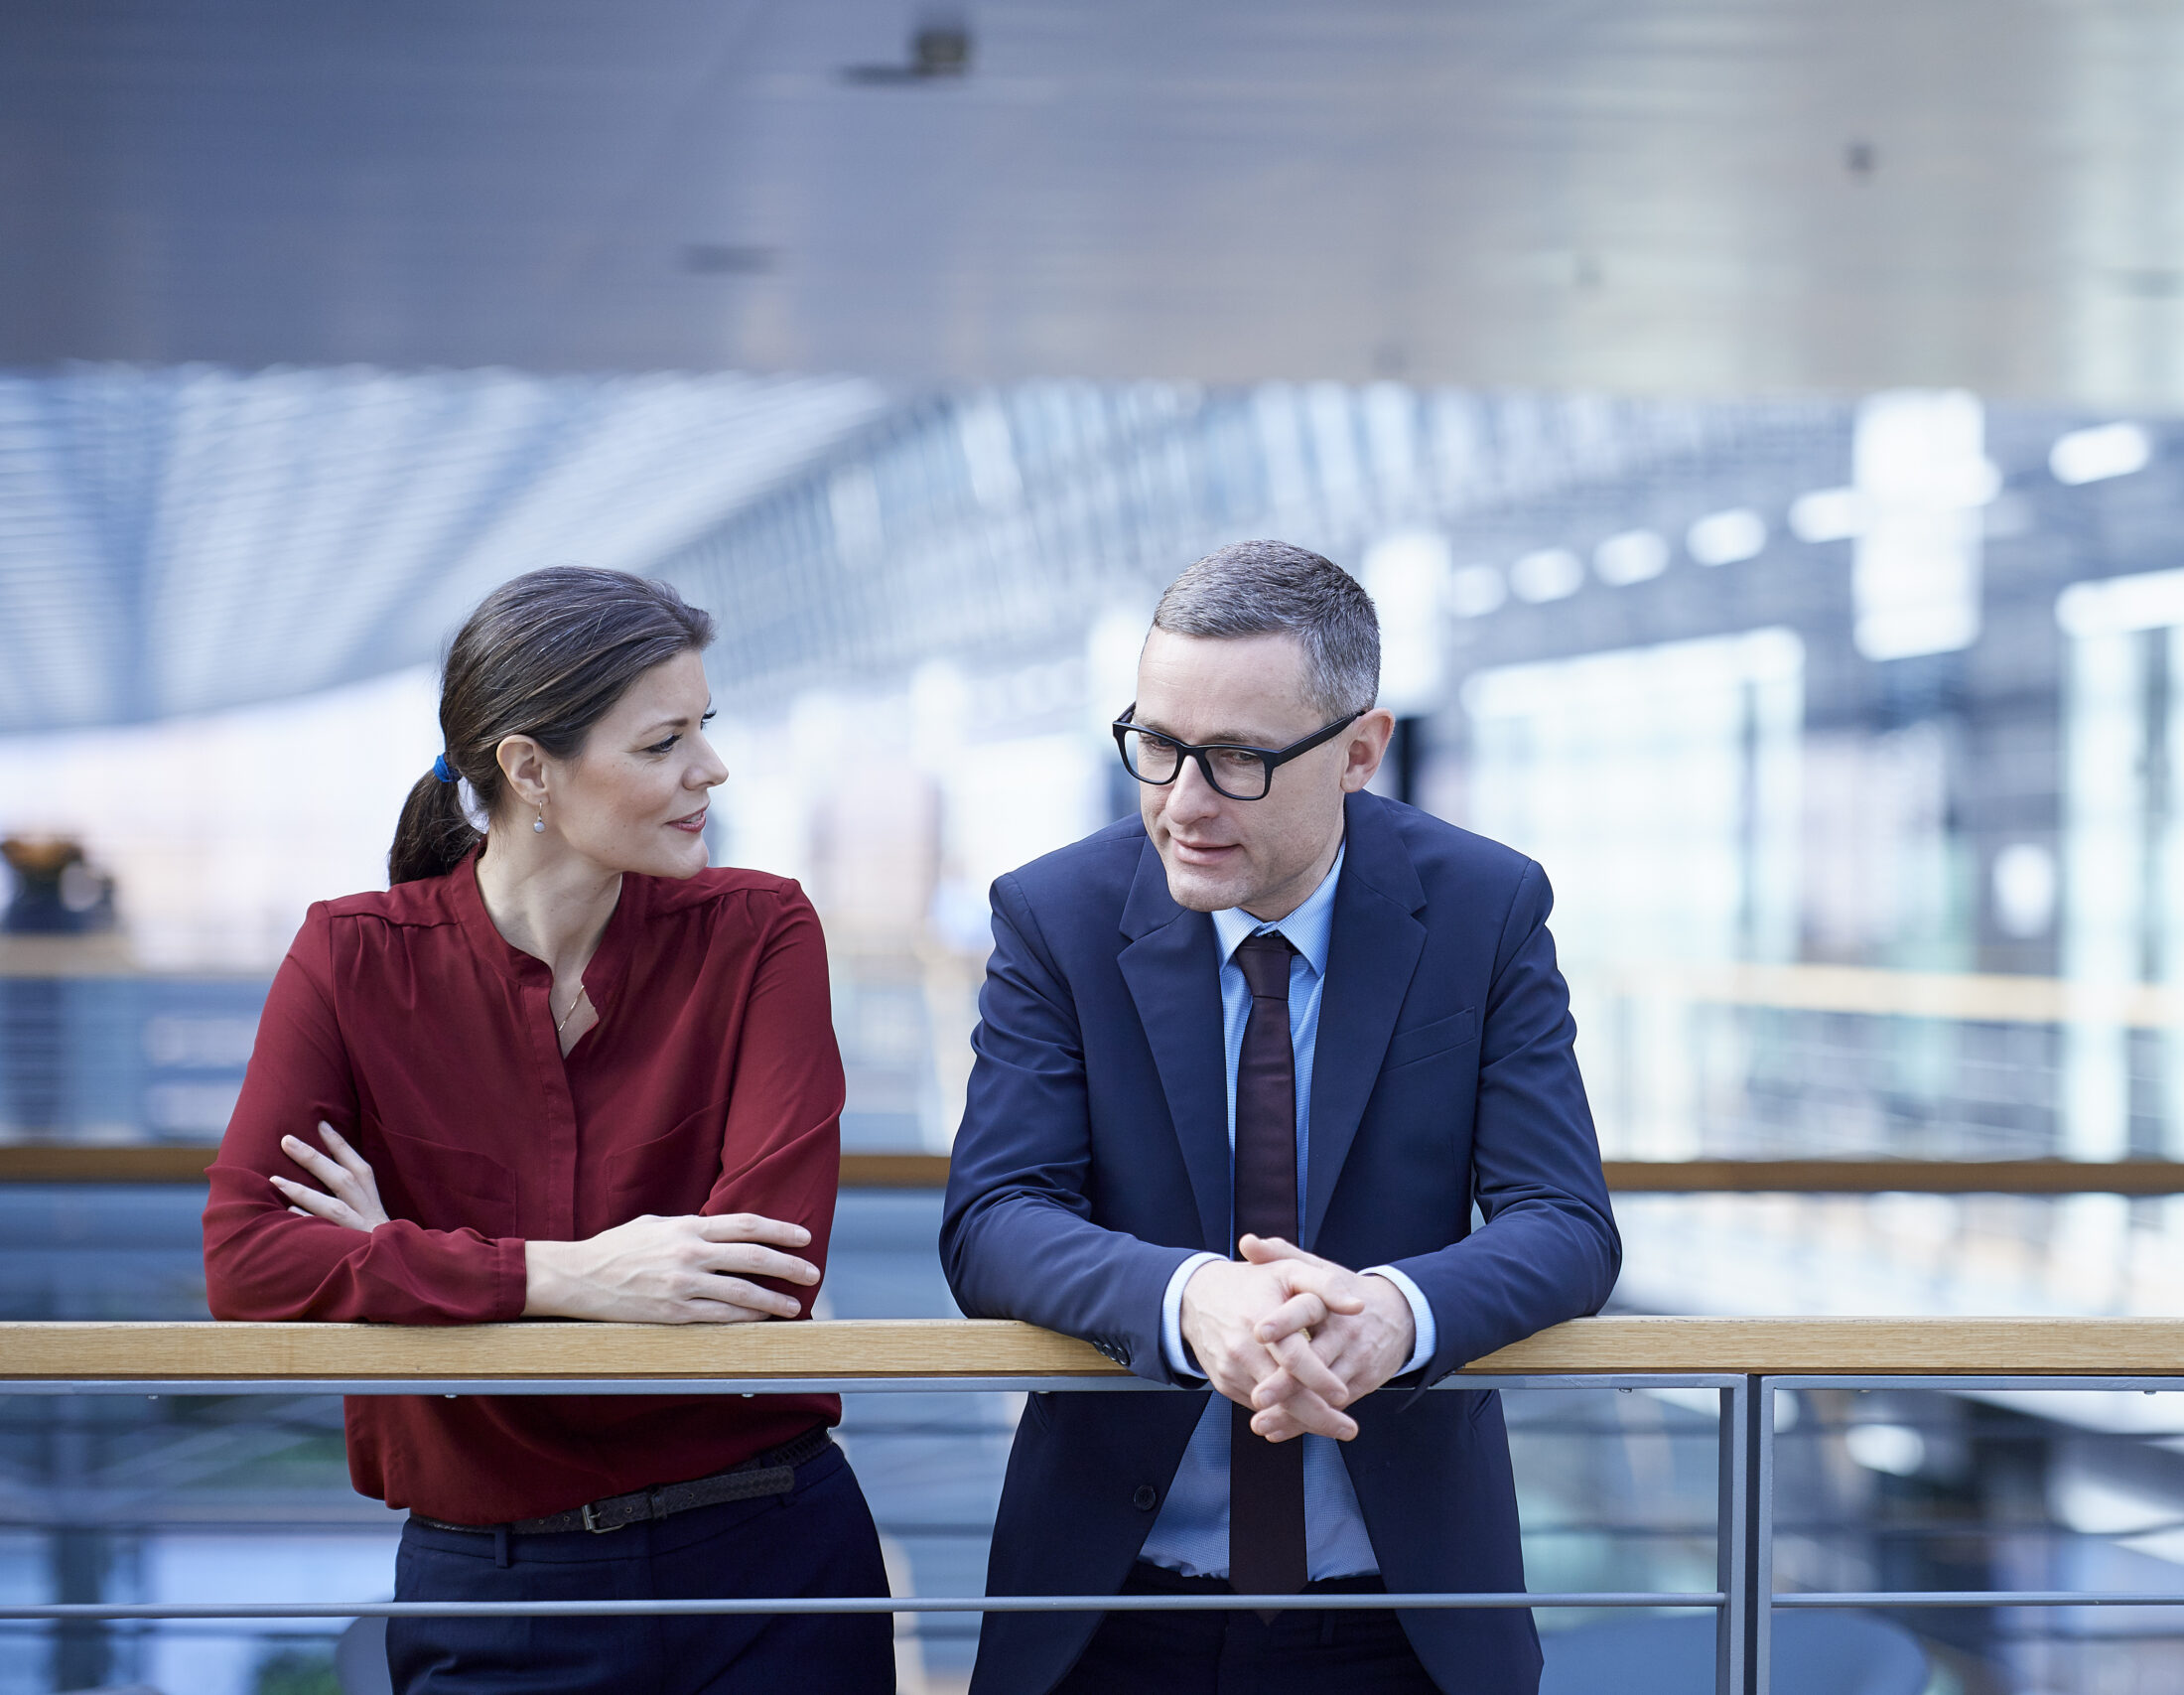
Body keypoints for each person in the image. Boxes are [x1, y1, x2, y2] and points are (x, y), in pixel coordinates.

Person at [940, 540, 1620, 1695]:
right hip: (1110, 1601)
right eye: (1156, 747)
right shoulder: (1053, 915)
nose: (1182, 804)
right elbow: (995, 1218)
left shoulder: (1485, 908)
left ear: (1361, 751)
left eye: (1240, 760)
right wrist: (1193, 1300)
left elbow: (1563, 1220)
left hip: (1406, 1610)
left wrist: (1395, 1318)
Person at [201, 567, 892, 1695]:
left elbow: (756, 1277)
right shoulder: (352, 959)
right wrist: (573, 1275)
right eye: (664, 742)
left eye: (702, 729)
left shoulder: (760, 931)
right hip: (494, 1589)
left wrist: (396, 1260)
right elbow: (244, 1262)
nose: (709, 769)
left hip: (770, 1565)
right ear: (529, 768)